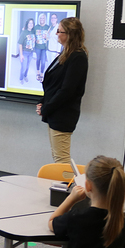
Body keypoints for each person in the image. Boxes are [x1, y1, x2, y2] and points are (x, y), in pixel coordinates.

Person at [36, 17, 88, 164]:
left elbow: (67, 90)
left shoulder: (78, 57)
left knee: (61, 160)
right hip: (54, 113)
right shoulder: (66, 53)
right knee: (57, 157)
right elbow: (53, 84)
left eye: (59, 31)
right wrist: (42, 102)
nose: (56, 34)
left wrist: (46, 108)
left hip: (63, 115)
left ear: (70, 34)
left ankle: (68, 181)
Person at [17, 18, 35, 84]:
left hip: (31, 53)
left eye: (32, 23)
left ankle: (25, 76)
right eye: (29, 23)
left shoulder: (33, 31)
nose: (31, 24)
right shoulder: (24, 32)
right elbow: (20, 44)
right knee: (24, 67)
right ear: (27, 24)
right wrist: (21, 55)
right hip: (24, 52)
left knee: (27, 67)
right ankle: (21, 78)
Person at [34, 13, 50, 80]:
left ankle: (41, 74)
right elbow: (31, 32)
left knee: (43, 61)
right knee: (38, 59)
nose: (42, 19)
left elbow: (50, 36)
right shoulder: (36, 27)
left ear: (45, 19)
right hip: (37, 47)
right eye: (41, 18)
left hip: (44, 47)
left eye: (43, 18)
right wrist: (24, 29)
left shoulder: (48, 27)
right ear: (39, 19)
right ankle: (38, 72)